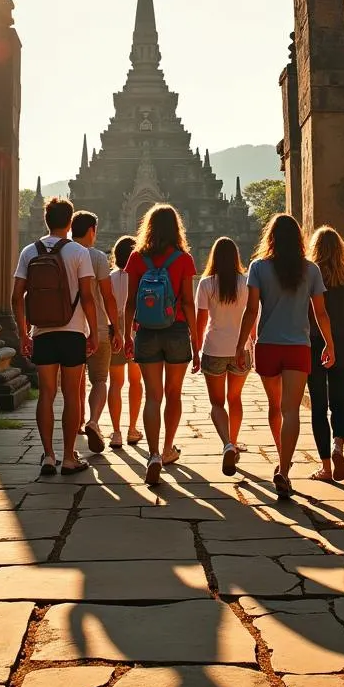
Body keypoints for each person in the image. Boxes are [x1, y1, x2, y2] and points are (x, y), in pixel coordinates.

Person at [235, 212, 334, 499]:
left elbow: (251, 311)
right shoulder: (311, 270)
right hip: (298, 346)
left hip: (268, 345)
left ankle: (282, 457)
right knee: (291, 410)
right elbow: (321, 312)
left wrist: (241, 344)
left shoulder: (258, 268)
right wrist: (330, 344)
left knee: (275, 407)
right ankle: (284, 469)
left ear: (271, 238)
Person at [12, 197, 99, 476]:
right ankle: (69, 456)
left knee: (46, 394)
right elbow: (87, 297)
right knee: (72, 394)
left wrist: (23, 332)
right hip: (73, 332)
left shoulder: (29, 251)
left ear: (45, 220)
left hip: (42, 332)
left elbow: (17, 297)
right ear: (70, 222)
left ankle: (48, 455)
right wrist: (94, 333)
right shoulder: (78, 252)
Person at [124, 204, 199, 485]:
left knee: (152, 396)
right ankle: (168, 448)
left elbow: (130, 303)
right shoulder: (184, 259)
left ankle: (153, 454)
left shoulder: (136, 258)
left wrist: (126, 335)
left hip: (146, 331)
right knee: (174, 393)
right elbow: (189, 303)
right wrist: (197, 338)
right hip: (177, 330)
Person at [307, 225, 344, 481]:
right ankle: (338, 446)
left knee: (318, 407)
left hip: (314, 345)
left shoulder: (310, 276)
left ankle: (326, 467)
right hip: (343, 345)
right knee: (339, 403)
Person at [195, 237, 253, 476]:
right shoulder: (247, 282)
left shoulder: (207, 284)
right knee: (235, 398)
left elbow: (201, 322)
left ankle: (227, 443)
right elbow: (253, 316)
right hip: (241, 348)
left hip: (214, 348)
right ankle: (234, 442)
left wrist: (195, 350)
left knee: (217, 403)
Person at [71, 211, 123, 454]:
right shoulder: (98, 256)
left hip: (69, 329)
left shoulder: (64, 253)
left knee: (74, 381)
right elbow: (107, 296)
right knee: (100, 380)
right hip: (99, 328)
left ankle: (77, 423)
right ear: (92, 230)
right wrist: (118, 329)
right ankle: (93, 420)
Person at [107, 234, 143, 448]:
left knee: (116, 383)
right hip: (137, 331)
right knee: (135, 382)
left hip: (115, 333)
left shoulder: (110, 278)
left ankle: (116, 432)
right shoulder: (139, 277)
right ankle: (132, 428)